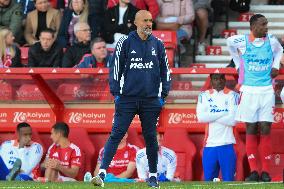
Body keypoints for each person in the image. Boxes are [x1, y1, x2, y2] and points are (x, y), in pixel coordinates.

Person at [91, 10, 171, 188]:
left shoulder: (158, 44)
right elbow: (115, 69)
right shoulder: (125, 42)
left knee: (151, 137)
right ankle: (102, 173)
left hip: (151, 100)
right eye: (145, 20)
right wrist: (117, 94)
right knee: (116, 134)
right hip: (127, 98)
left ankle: (152, 177)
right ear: (135, 23)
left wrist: (162, 95)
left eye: (150, 20)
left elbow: (166, 71)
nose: (148, 23)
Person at [227, 14, 283, 182]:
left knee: (265, 128)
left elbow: (280, 50)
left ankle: (265, 171)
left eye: (266, 24)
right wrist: (237, 64)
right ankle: (254, 171)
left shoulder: (272, 41)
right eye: (263, 24)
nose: (266, 27)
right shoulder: (241, 41)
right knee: (251, 129)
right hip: (248, 91)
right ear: (253, 27)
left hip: (266, 90)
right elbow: (229, 45)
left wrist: (275, 66)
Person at [196, 73, 239, 181]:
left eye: (221, 78)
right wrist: (224, 113)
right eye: (215, 79)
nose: (219, 81)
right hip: (209, 145)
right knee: (209, 181)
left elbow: (233, 121)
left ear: (225, 80)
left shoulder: (233, 95)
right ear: (211, 81)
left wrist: (211, 115)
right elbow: (201, 117)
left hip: (227, 144)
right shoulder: (203, 95)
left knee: (228, 181)